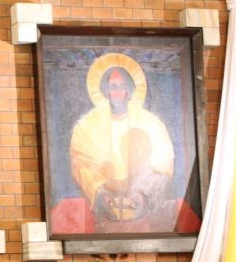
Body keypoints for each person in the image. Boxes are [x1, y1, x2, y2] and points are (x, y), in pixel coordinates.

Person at [69, 57, 176, 231]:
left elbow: (164, 165)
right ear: (106, 91)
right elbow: (80, 164)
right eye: (113, 86)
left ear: (130, 90)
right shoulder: (88, 125)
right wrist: (100, 194)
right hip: (106, 203)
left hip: (141, 202)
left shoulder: (151, 122)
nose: (118, 91)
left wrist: (141, 194)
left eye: (122, 86)